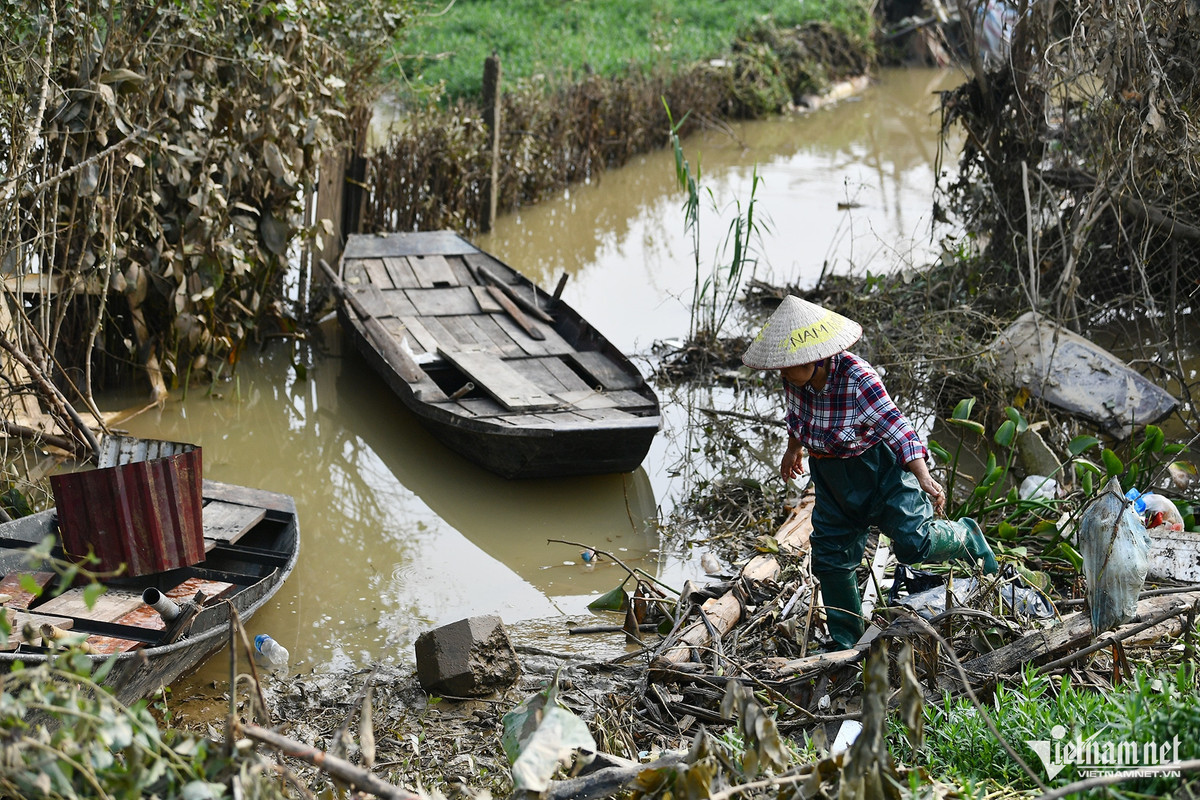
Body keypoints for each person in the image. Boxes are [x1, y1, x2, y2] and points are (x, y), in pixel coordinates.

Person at [743, 295, 998, 650]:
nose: (783, 373)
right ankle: (846, 639)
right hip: (831, 479)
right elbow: (797, 418)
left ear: (816, 359)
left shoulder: (859, 378)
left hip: (880, 474)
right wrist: (793, 449)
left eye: (790, 365)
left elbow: (899, 428)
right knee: (831, 557)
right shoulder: (795, 380)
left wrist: (923, 476)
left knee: (915, 543)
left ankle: (967, 536)